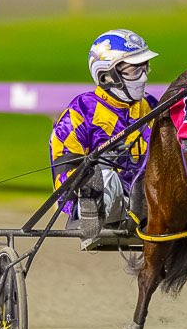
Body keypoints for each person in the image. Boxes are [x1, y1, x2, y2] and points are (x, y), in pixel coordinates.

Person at [49, 29, 159, 242]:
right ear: (107, 75)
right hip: (103, 201)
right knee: (105, 178)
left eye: (145, 68)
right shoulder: (80, 113)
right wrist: (90, 183)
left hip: (148, 197)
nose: (144, 77)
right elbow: (63, 180)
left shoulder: (152, 106)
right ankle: (93, 212)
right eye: (134, 70)